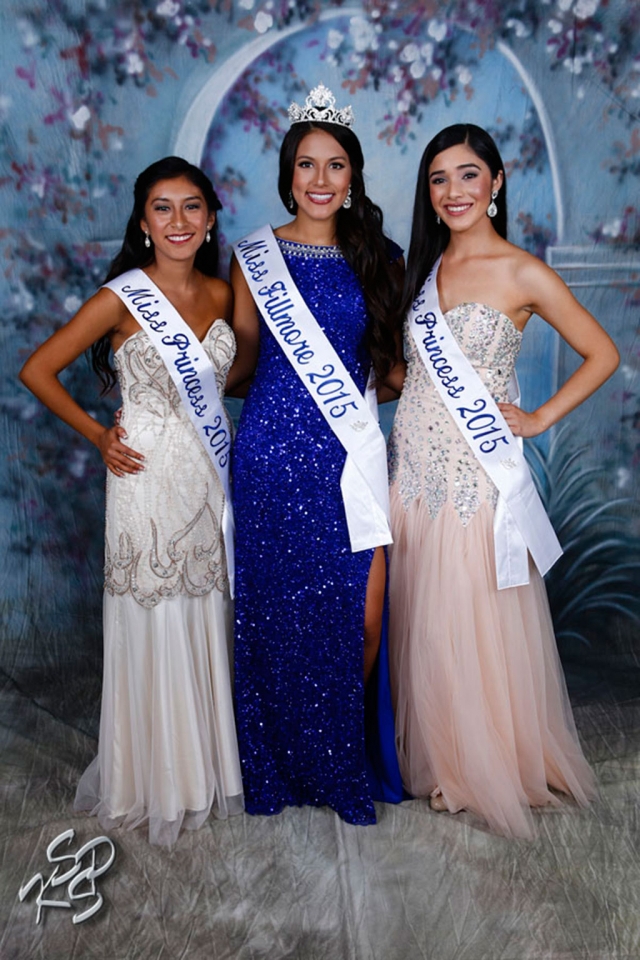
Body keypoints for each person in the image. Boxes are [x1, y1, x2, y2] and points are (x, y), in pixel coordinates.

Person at [387, 123, 619, 838]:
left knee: (469, 613)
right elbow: (410, 376)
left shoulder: (523, 271)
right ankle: (432, 754)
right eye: (438, 179)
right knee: (421, 617)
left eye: (466, 175)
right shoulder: (420, 275)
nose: (452, 192)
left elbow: (602, 352)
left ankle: (476, 765)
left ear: (496, 184)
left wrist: (540, 414)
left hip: (476, 475)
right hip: (414, 470)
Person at [19, 156, 244, 845]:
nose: (178, 221)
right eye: (162, 208)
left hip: (207, 476)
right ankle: (151, 778)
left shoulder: (224, 295)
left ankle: (207, 770)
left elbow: (233, 383)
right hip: (143, 475)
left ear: (209, 220)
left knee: (203, 610)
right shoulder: (121, 298)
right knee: (155, 613)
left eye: (190, 208)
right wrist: (97, 434)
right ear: (143, 223)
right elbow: (37, 369)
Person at [227, 84, 404, 824]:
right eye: (307, 166)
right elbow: (240, 366)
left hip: (347, 457)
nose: (321, 181)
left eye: (335, 166)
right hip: (269, 453)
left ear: (353, 175)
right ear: (287, 175)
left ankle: (336, 758)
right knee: (272, 618)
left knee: (358, 612)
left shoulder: (381, 258)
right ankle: (281, 763)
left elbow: (392, 371)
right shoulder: (253, 258)